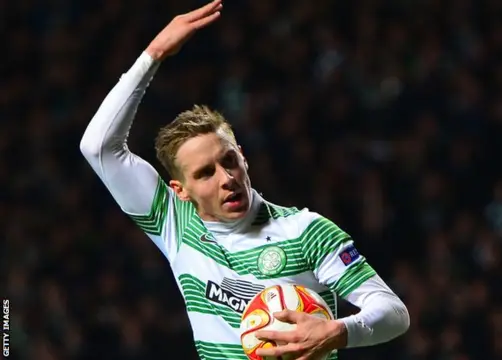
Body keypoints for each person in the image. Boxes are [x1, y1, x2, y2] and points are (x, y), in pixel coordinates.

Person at [79, 1, 410, 359]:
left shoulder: (305, 230)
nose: (226, 179)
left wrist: (337, 331)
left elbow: (393, 312)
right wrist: (153, 55)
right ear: (181, 191)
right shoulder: (174, 223)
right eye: (205, 173)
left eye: (229, 161)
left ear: (243, 157)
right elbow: (98, 147)